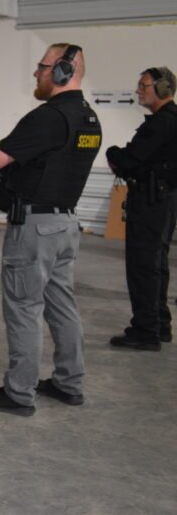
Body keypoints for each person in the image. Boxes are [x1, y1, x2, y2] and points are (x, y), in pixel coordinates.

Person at [0, 43, 101, 415]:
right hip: (65, 225)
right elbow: (49, 163)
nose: (36, 73)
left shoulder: (49, 116)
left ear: (61, 70)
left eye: (42, 67)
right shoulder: (89, 119)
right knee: (61, 304)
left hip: (34, 227)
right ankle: (68, 382)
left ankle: (19, 392)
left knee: (24, 307)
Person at [106, 66, 177, 351]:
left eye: (143, 85)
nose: (138, 90)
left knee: (143, 264)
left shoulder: (160, 123)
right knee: (156, 262)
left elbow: (129, 160)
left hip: (150, 201)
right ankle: (160, 325)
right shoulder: (170, 120)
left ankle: (145, 330)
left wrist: (112, 152)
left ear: (161, 89)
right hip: (164, 198)